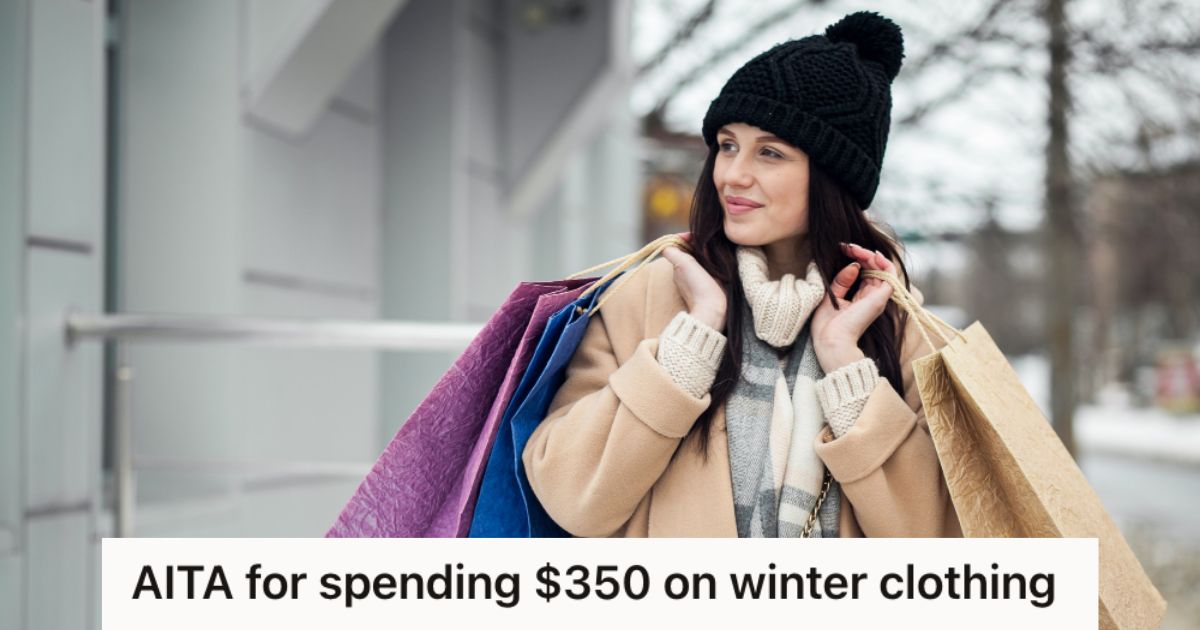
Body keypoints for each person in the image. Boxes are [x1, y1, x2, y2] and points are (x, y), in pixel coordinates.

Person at [523, 11, 961, 538]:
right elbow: (571, 500)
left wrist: (845, 362)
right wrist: (690, 343)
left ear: (830, 178)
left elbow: (936, 544)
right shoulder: (647, 296)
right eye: (727, 144)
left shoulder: (896, 325)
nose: (733, 173)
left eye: (770, 153)